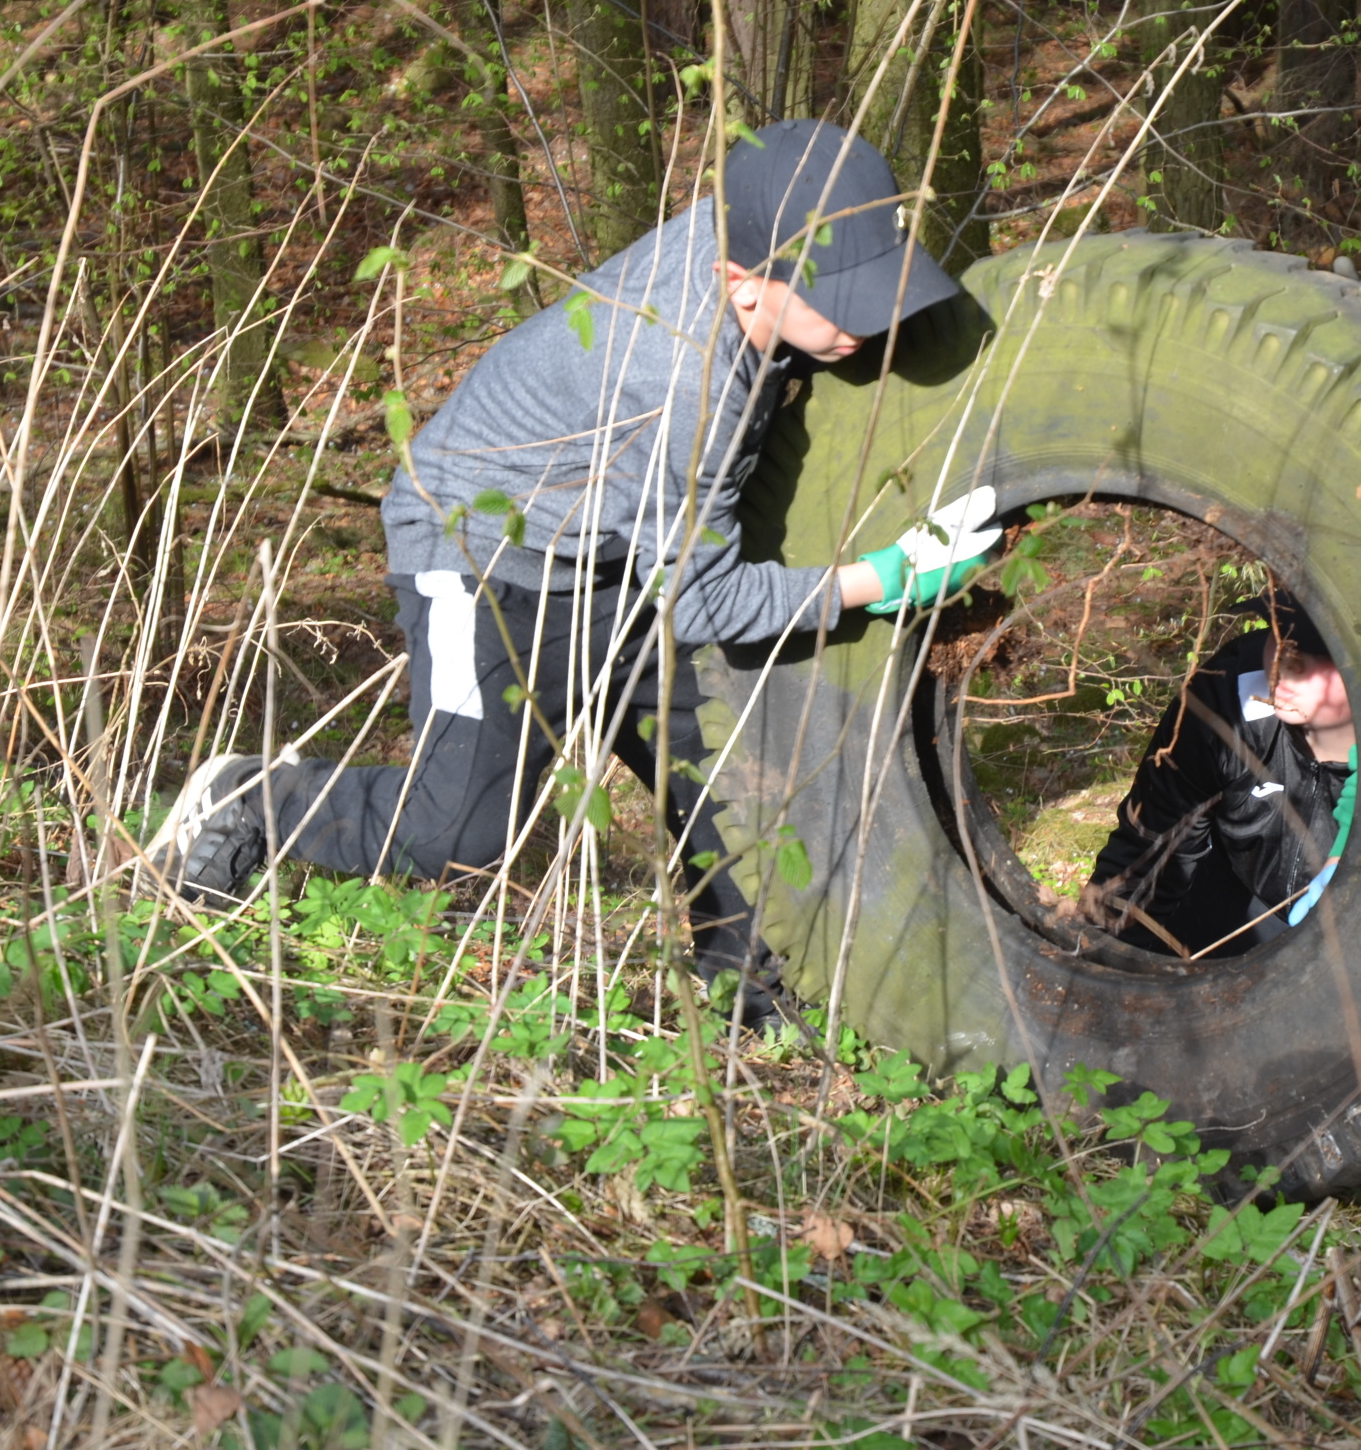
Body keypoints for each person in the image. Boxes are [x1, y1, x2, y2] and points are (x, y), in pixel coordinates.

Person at [140, 121, 1004, 1016]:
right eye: (841, 299)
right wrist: (887, 576)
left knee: (725, 798)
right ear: (740, 286)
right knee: (457, 838)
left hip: (618, 555)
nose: (868, 319)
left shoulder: (764, 218)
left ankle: (745, 1003)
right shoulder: (686, 375)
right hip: (481, 550)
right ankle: (255, 800)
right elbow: (705, 600)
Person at [1080, 592, 1356, 959]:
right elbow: (1152, 847)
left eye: (1319, 651)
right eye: (1279, 633)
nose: (1286, 663)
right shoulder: (1225, 700)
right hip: (1237, 891)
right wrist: (1100, 962)